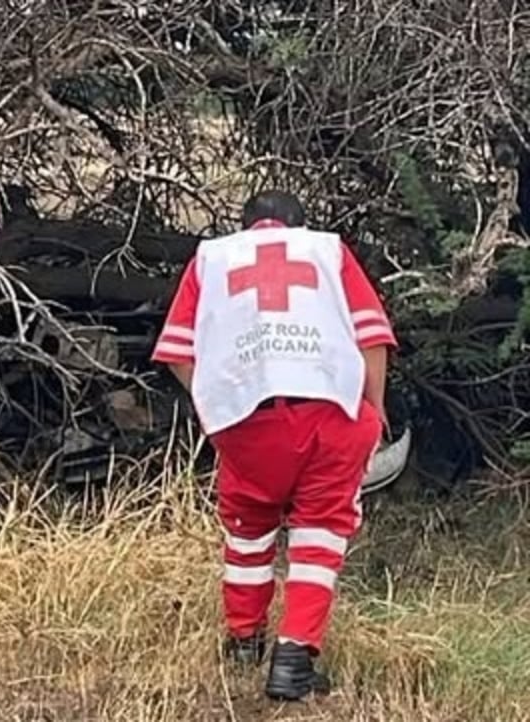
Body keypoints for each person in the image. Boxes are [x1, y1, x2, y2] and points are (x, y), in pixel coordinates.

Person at [151, 190, 397, 701]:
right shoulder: (327, 250)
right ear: (299, 225)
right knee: (321, 532)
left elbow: (176, 351)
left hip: (246, 420)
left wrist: (218, 402)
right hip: (328, 411)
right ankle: (293, 660)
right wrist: (373, 411)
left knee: (247, 525)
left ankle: (244, 641)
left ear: (245, 226)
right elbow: (371, 337)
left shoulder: (211, 258)